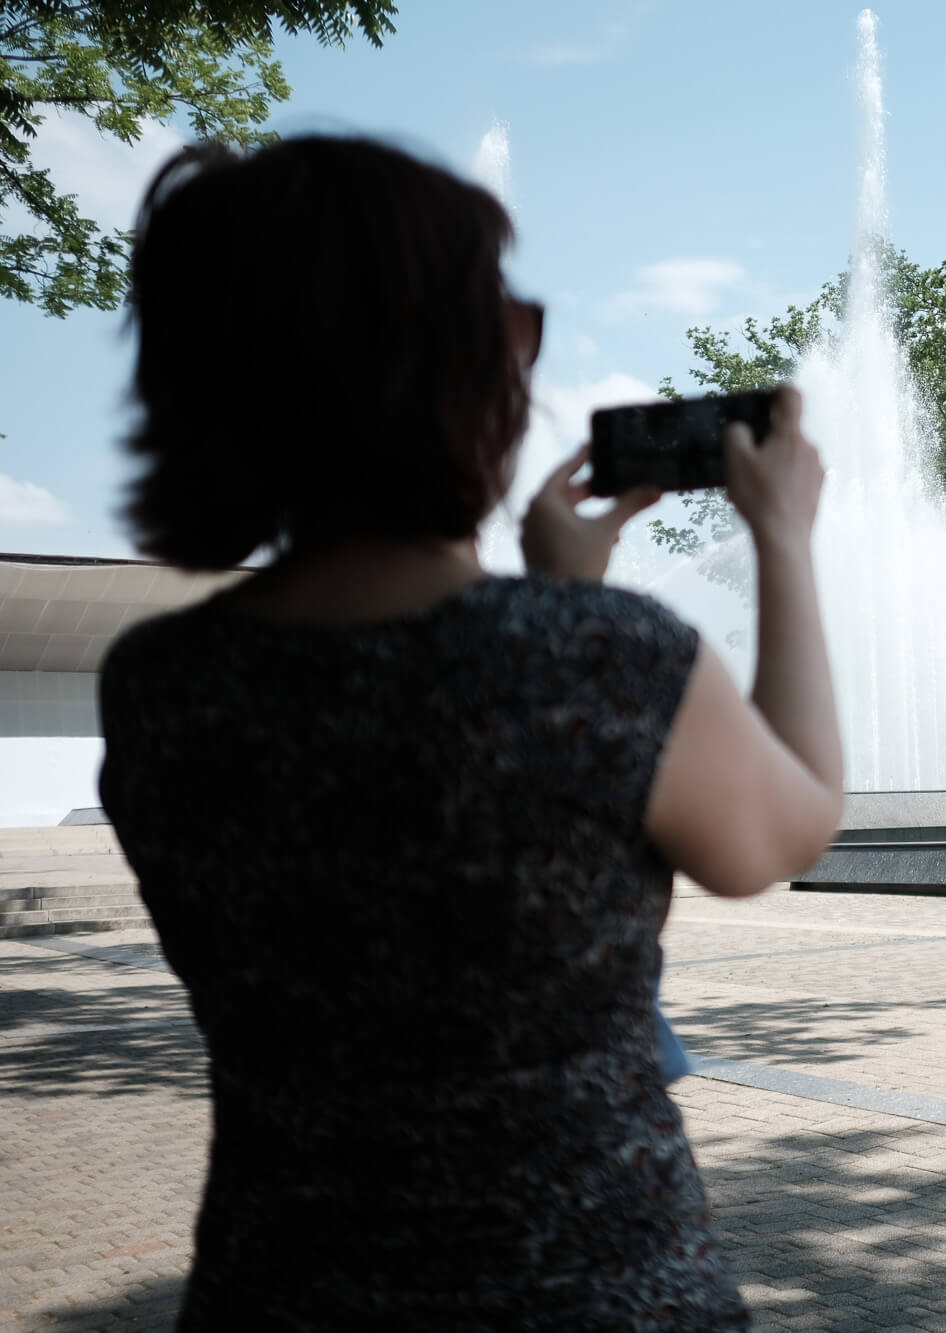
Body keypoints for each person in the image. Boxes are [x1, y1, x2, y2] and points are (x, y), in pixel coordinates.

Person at [95, 136, 843, 1330]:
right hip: (599, 1289)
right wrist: (783, 543)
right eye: (513, 326)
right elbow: (790, 821)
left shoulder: (160, 686)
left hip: (279, 1288)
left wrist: (559, 601)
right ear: (438, 373)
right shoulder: (595, 659)